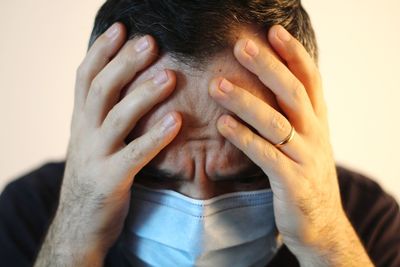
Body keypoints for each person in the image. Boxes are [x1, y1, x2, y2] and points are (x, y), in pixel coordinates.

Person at [1, 0, 399, 266]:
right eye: (153, 175)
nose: (199, 220)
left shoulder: (366, 220)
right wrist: (72, 241)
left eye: (247, 175)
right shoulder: (27, 214)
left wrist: (327, 241)